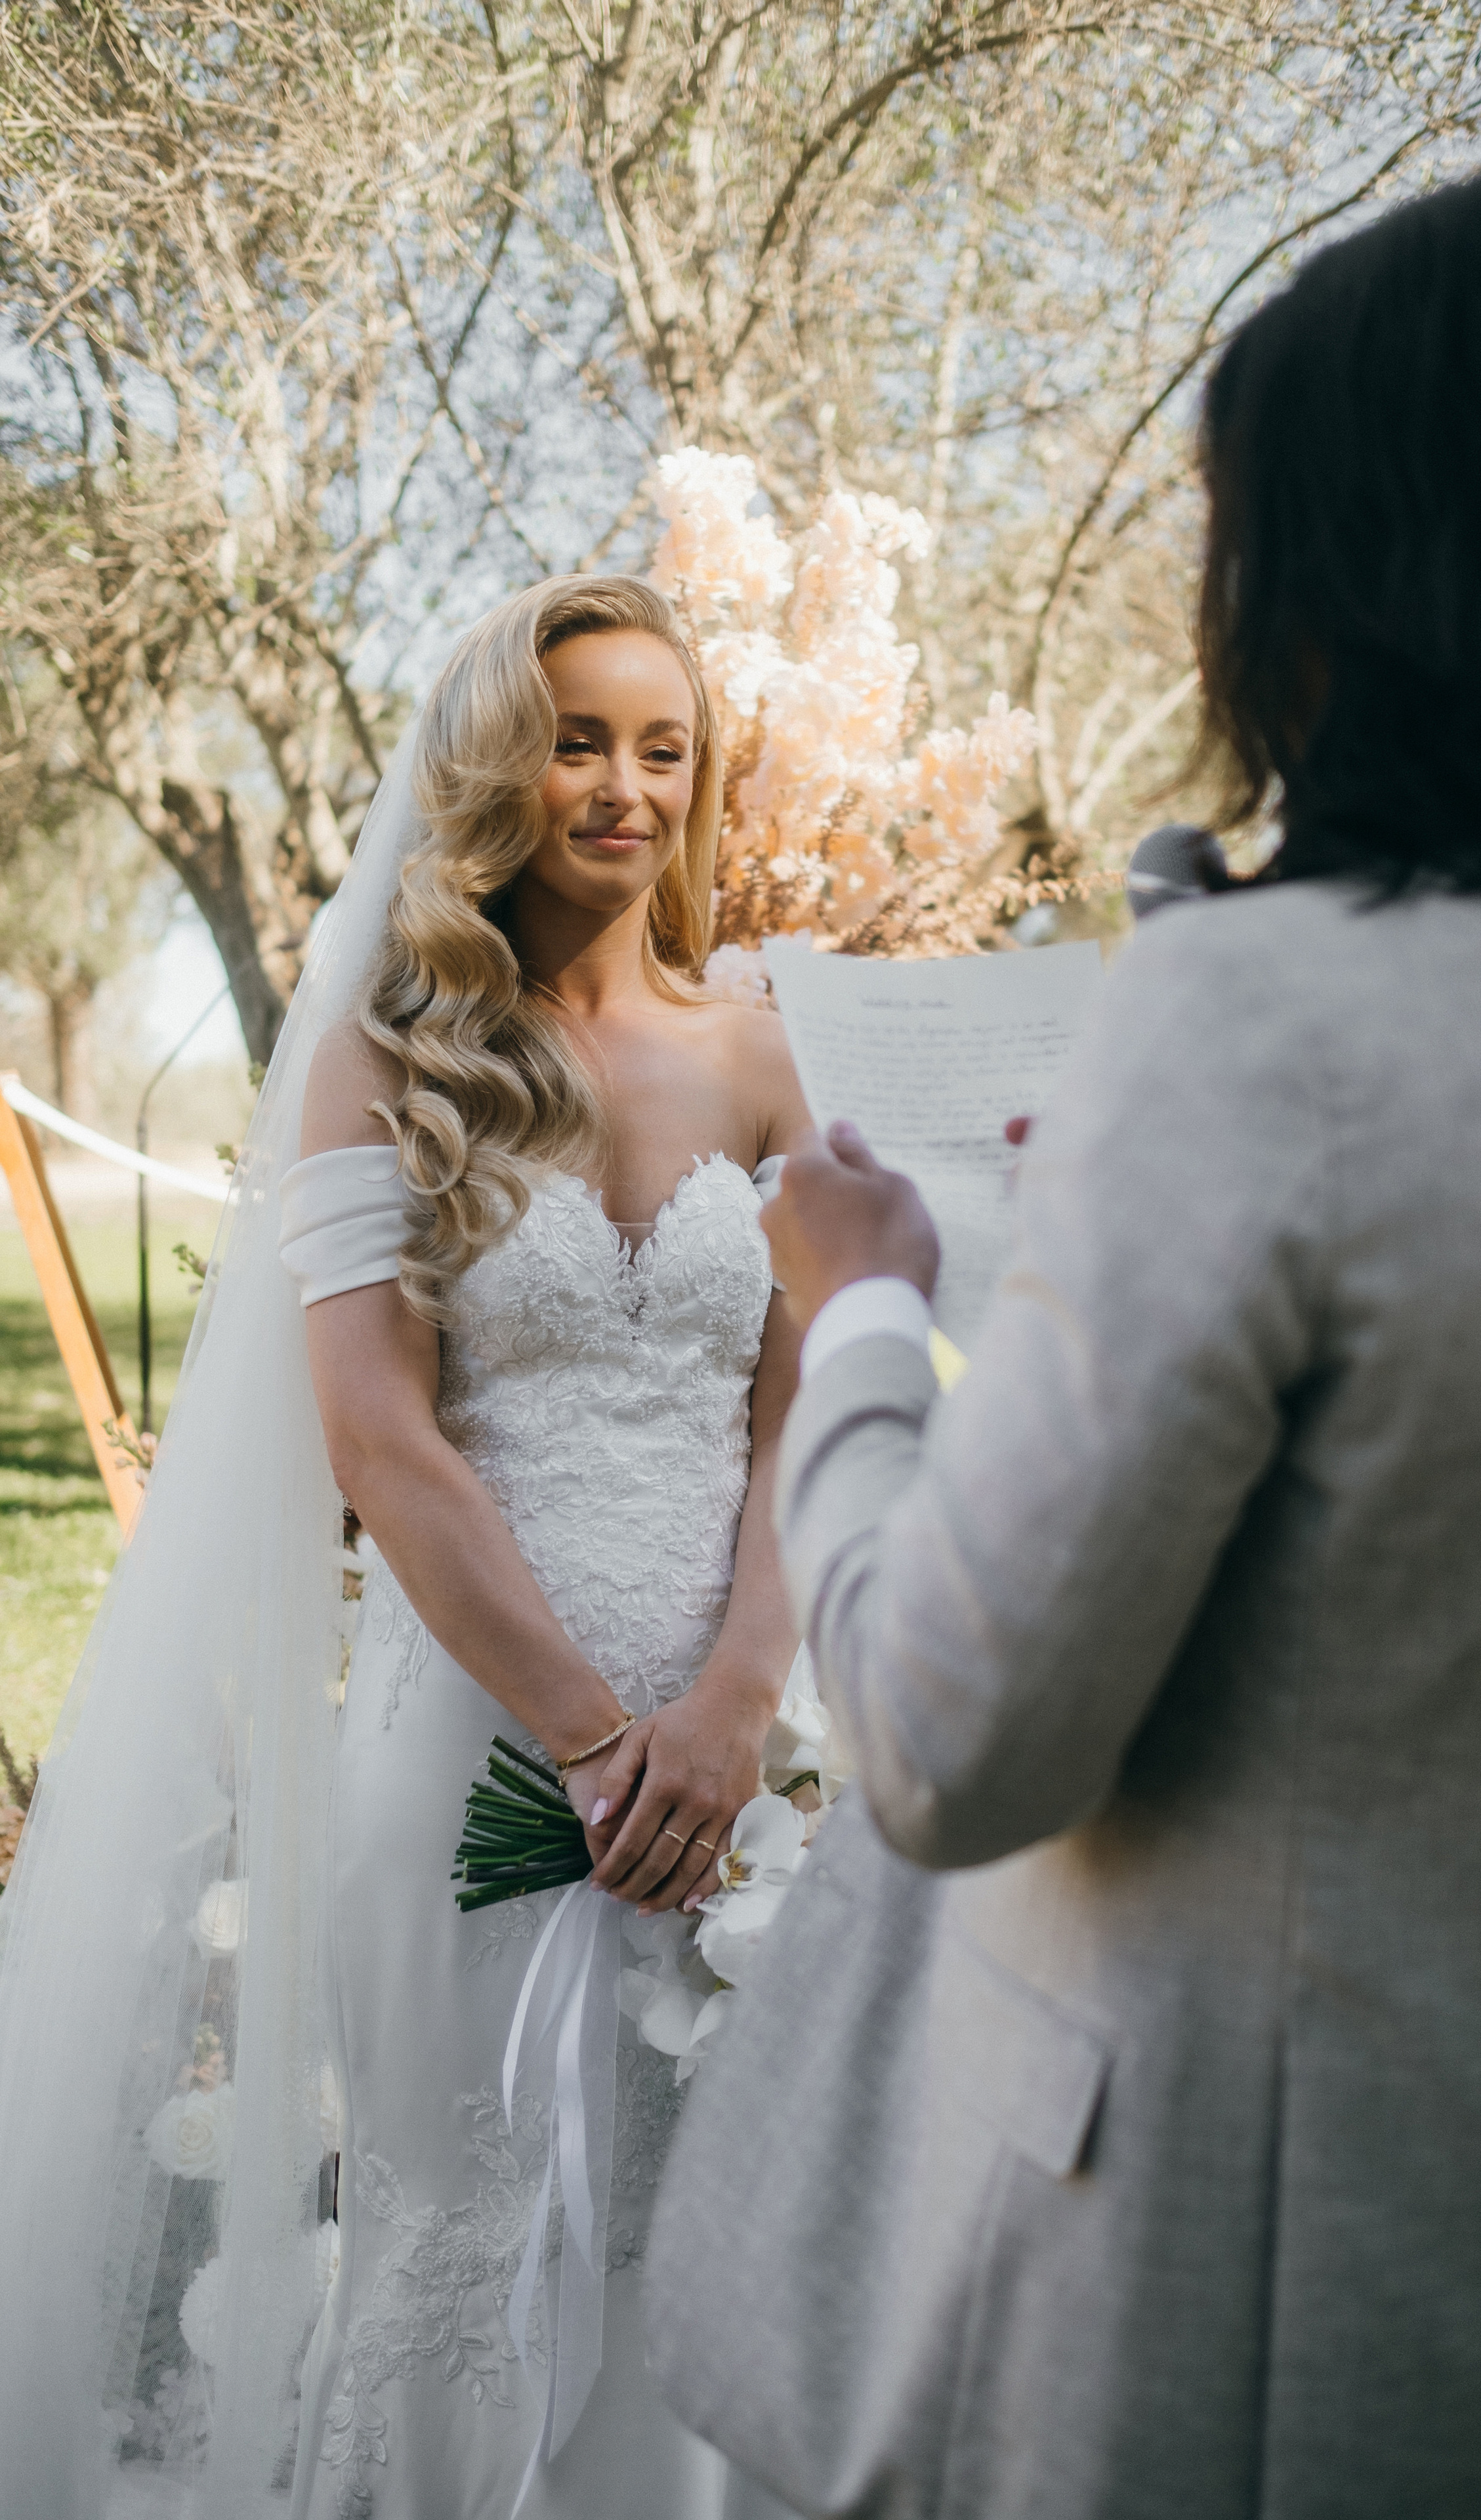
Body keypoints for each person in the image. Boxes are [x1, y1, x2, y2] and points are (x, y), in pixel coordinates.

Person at [680, 158, 1481, 2516]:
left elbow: (949, 1737)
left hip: (1236, 2311)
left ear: (1367, 569)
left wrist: (869, 1321)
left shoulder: (1270, 1021)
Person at [0, 576, 807, 2519]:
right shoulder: (388, 1052)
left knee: (709, 2224)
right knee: (469, 2229)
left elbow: (801, 1413)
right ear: (496, 765)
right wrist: (603, 1739)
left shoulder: (770, 1048)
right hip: (484, 1767)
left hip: (741, 1762)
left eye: (661, 746)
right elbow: (381, 1432)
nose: (622, 784)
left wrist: (731, 1708)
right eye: (577, 738)